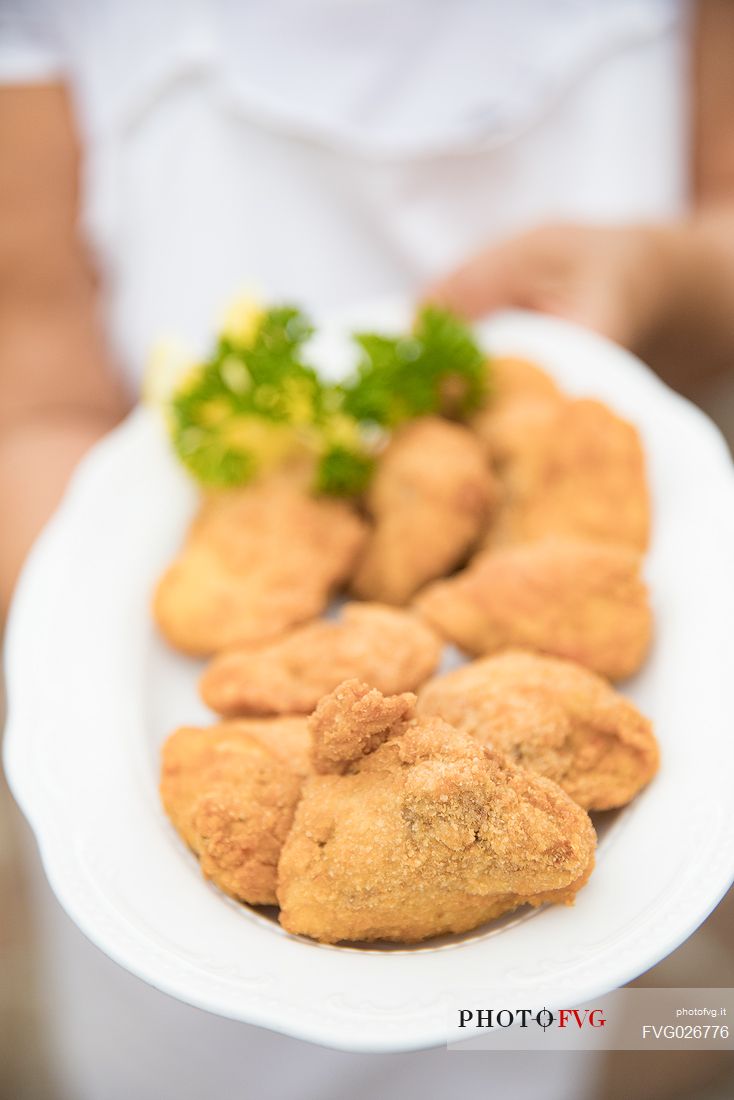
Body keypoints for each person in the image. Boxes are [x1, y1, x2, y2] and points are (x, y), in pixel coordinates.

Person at [1, 2, 733, 1098]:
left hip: (536, 959)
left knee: (517, 1053)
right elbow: (30, 381)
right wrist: (66, 635)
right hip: (168, 961)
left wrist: (660, 275)